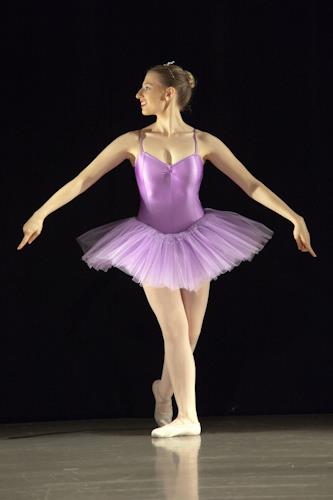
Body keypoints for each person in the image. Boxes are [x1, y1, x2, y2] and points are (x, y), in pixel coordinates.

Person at [17, 61, 317, 438]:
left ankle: (163, 390)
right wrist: (41, 213)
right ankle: (187, 417)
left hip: (198, 241)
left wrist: (294, 216)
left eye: (146, 87)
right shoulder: (133, 141)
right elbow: (83, 180)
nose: (138, 95)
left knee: (189, 337)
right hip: (150, 242)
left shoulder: (203, 142)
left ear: (168, 94)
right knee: (175, 332)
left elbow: (251, 185)